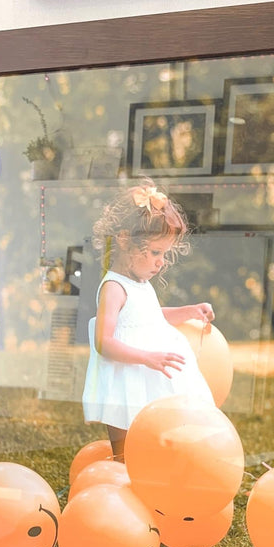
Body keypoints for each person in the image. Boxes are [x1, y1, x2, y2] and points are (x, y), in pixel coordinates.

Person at [82, 181, 215, 460]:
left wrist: (189, 311)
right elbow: (104, 343)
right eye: (156, 252)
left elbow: (150, 318)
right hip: (126, 379)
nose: (162, 262)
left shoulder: (139, 283)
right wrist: (147, 358)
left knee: (152, 447)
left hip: (148, 376)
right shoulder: (113, 287)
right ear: (124, 240)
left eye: (164, 254)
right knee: (125, 453)